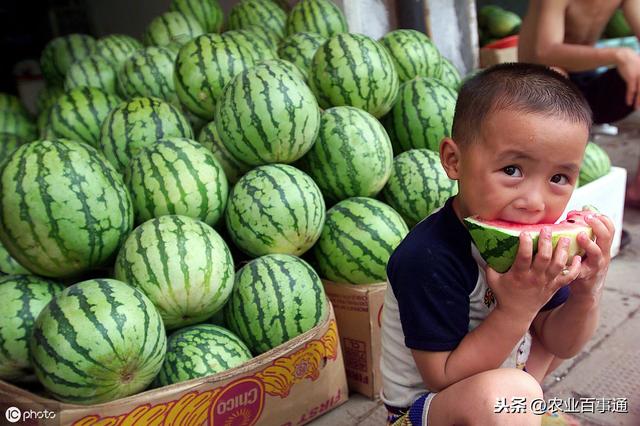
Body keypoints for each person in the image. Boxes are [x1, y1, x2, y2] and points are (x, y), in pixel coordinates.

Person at [380, 63, 615, 425]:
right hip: (428, 412)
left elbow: (561, 344)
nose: (534, 202)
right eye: (512, 170)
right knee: (507, 394)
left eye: (558, 177)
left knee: (519, 389)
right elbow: (442, 376)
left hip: (507, 396)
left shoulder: (538, 246)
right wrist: (517, 309)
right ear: (453, 160)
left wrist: (587, 292)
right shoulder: (426, 258)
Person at [518, 0, 640, 208]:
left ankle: (636, 192)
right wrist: (619, 55)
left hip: (585, 77)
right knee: (555, 72)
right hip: (537, 86)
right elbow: (544, 51)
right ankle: (545, 201)